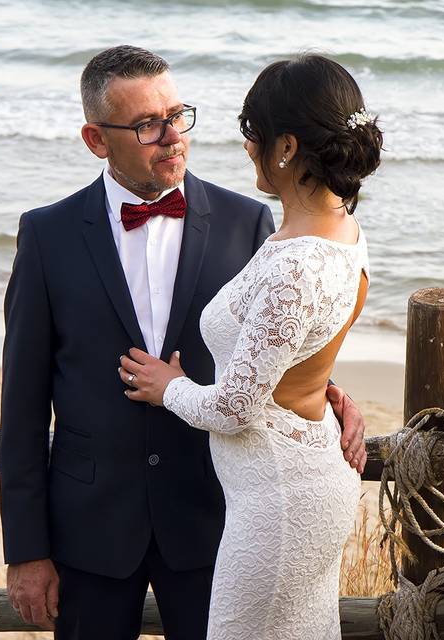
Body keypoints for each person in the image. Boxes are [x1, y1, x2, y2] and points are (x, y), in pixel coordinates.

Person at [0, 46, 368, 640]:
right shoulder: (47, 235)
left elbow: (282, 337)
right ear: (97, 139)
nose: (173, 136)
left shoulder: (250, 222)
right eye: (148, 124)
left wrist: (323, 391)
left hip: (215, 519)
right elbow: (19, 402)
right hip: (91, 528)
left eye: (178, 115)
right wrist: (26, 548)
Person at [118, 54, 383, 640]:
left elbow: (238, 409)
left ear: (286, 146)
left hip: (280, 502)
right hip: (297, 482)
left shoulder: (296, 262)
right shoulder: (333, 231)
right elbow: (303, 346)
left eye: (251, 134)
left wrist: (171, 389)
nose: (246, 148)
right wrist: (328, 388)